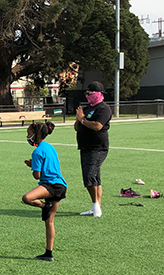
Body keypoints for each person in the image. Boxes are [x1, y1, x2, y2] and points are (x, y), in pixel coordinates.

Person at [22, 122, 67, 262]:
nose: (28, 136)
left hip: (50, 185)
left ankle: (44, 206)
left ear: (38, 134)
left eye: (29, 134)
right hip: (61, 185)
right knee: (49, 221)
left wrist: (32, 166)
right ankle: (48, 253)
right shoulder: (50, 147)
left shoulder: (37, 151)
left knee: (27, 198)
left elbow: (37, 175)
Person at [75, 81, 112, 217]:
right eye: (86, 93)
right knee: (95, 177)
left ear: (97, 94)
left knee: (89, 176)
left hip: (97, 147)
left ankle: (96, 206)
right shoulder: (86, 108)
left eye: (90, 93)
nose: (87, 96)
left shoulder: (103, 108)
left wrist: (83, 119)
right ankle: (96, 207)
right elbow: (76, 127)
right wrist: (79, 119)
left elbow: (97, 126)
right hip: (85, 147)